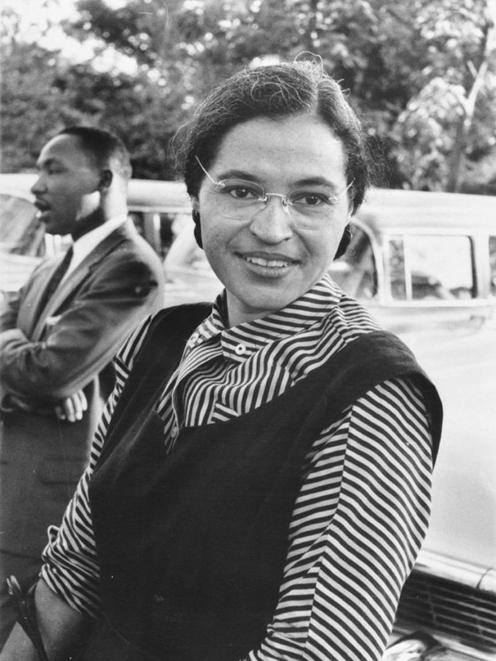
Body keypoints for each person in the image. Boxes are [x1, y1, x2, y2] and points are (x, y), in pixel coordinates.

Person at [0, 62, 442, 661]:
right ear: (197, 201)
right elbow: (75, 569)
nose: (271, 227)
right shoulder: (164, 340)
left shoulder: (371, 394)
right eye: (241, 189)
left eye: (311, 198)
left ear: (347, 220)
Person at [0, 126, 165, 646]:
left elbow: (48, 375)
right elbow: (41, 375)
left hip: (44, 513)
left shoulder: (131, 268)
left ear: (105, 179)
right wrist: (25, 362)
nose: (36, 187)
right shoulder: (54, 262)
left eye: (54, 169)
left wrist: (16, 346)